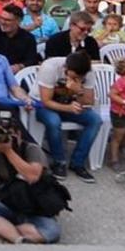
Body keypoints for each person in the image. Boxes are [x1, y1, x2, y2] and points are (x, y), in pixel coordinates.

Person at [0, 122, 62, 244]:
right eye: (1, 136)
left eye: (9, 135)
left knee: (52, 232)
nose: (4, 140)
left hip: (36, 208)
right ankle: (18, 240)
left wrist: (9, 152)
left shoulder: (31, 149)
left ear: (19, 134)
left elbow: (32, 176)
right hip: (10, 204)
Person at [34, 52, 100, 183]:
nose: (77, 79)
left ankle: (78, 162)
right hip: (42, 104)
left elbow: (89, 101)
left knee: (95, 120)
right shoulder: (50, 67)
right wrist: (68, 108)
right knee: (54, 121)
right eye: (73, 76)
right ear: (66, 68)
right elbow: (46, 101)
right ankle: (59, 161)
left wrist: (79, 90)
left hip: (69, 103)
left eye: (80, 77)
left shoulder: (88, 72)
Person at [0, 4, 40, 73]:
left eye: (7, 20)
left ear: (19, 21)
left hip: (18, 74)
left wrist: (20, 66)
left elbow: (32, 60)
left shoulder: (28, 38)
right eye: (1, 18)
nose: (3, 22)